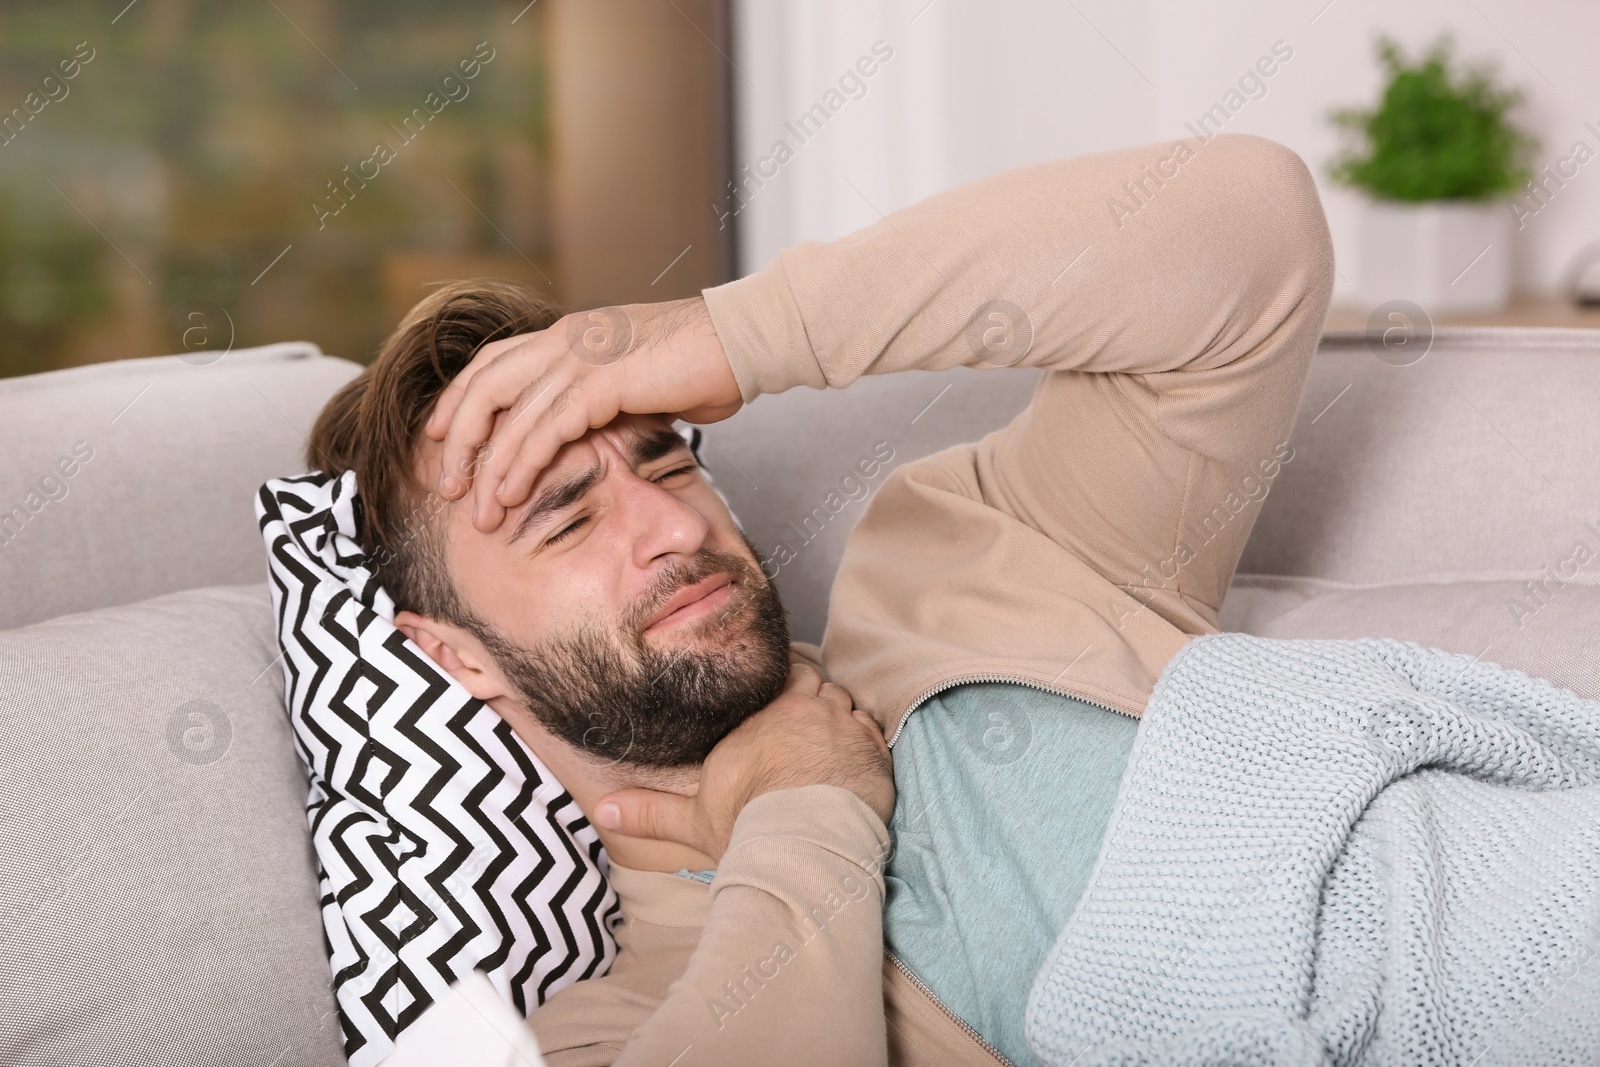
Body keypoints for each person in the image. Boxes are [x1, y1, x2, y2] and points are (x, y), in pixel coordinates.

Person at [306, 132, 1333, 1065]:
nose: (673, 529)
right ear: (455, 656)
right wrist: (807, 806)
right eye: (567, 520)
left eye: (665, 467)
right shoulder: (614, 1020)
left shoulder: (975, 559)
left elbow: (1256, 223)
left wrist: (734, 333)